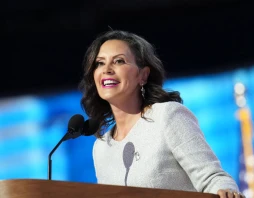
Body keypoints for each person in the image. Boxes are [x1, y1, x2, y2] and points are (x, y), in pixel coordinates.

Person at [79, 30, 244, 198]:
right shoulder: (101, 147)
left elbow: (213, 178)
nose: (106, 69)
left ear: (143, 75)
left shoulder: (167, 116)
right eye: (99, 63)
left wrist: (226, 192)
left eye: (119, 61)